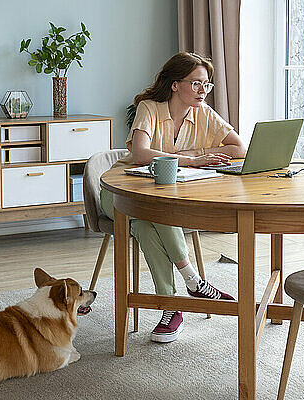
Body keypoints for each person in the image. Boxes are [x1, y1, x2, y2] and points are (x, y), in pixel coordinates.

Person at [101, 52, 247, 343]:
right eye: (195, 84)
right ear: (175, 85)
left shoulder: (203, 112)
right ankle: (193, 280)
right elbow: (140, 153)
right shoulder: (149, 108)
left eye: (207, 84)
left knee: (148, 223)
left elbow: (239, 149)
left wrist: (193, 155)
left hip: (160, 199)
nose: (203, 91)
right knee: (160, 212)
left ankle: (171, 308)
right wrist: (191, 160)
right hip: (121, 193)